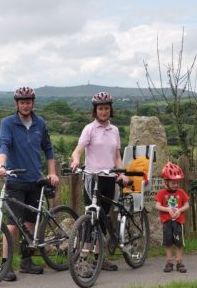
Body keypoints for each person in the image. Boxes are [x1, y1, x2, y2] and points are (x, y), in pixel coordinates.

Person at [0, 86, 59, 281]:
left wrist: (51, 173)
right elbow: (4, 145)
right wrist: (1, 165)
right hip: (15, 181)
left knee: (30, 223)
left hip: (35, 181)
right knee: (12, 225)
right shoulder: (8, 123)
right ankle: (5, 266)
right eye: (22, 102)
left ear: (33, 103)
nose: (25, 105)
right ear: (16, 104)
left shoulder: (40, 123)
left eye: (28, 102)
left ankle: (26, 261)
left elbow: (48, 150)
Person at [70, 91, 127, 272]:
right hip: (92, 179)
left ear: (111, 110)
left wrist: (121, 172)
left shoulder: (115, 130)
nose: (103, 112)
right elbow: (78, 149)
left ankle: (98, 258)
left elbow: (117, 156)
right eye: (100, 109)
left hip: (109, 178)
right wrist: (76, 160)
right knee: (90, 219)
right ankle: (83, 259)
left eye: (106, 108)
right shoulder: (89, 129)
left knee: (102, 220)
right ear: (95, 111)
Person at [154, 162, 190, 273]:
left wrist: (179, 210)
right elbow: (157, 205)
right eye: (173, 182)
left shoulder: (181, 192)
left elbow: (187, 205)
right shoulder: (161, 193)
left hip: (178, 222)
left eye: (177, 182)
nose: (175, 184)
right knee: (168, 242)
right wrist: (168, 210)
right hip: (167, 222)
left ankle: (179, 262)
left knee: (179, 243)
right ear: (166, 182)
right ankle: (169, 262)